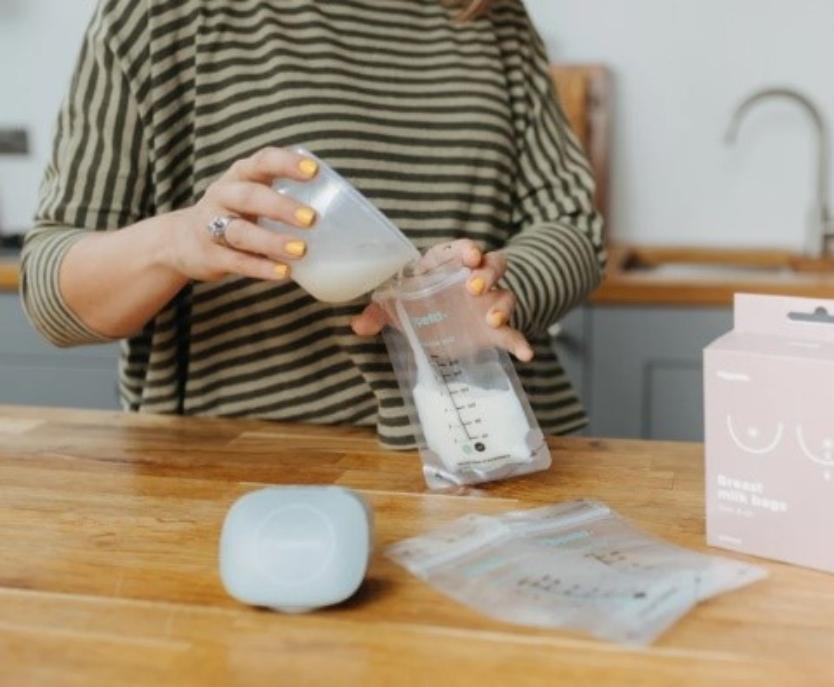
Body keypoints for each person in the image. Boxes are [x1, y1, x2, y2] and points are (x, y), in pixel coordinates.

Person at [20, 0, 605, 448]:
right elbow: (51, 293)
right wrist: (183, 240)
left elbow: (572, 224)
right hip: (259, 478)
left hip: (501, 455)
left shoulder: (486, 14)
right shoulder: (162, 15)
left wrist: (503, 289)